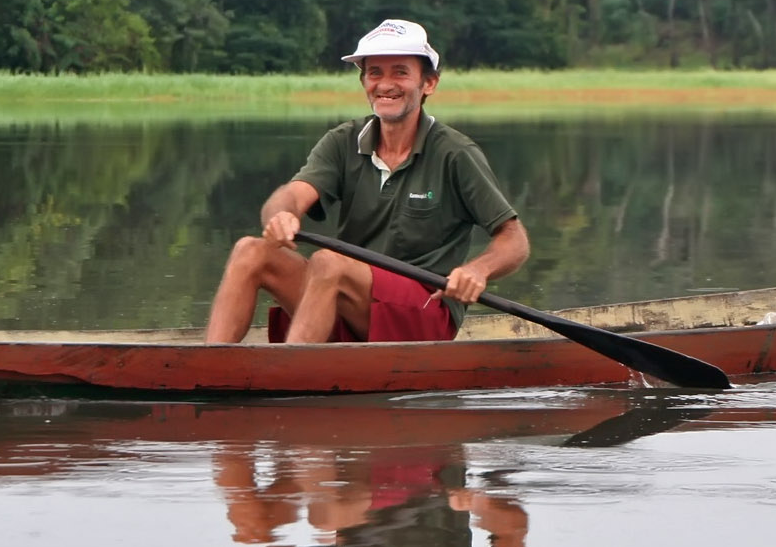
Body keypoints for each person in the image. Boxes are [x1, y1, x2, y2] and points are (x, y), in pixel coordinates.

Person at [204, 18, 531, 344]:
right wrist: (281, 215)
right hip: (344, 299)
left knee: (329, 263)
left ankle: (293, 371)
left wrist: (478, 270)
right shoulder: (343, 140)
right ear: (364, 82)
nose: (385, 84)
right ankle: (209, 367)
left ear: (428, 83)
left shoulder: (455, 153)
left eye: (400, 72)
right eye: (375, 73)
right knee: (250, 250)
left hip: (424, 311)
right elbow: (291, 195)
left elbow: (514, 240)